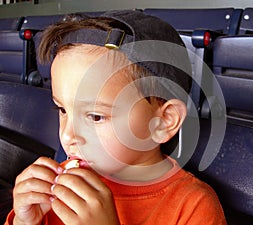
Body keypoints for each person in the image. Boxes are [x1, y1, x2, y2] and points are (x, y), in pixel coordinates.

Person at [5, 10, 226, 225]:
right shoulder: (57, 189)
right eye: (62, 110)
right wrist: (24, 221)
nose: (67, 135)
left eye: (95, 116)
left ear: (163, 122)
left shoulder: (192, 207)